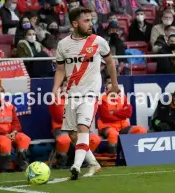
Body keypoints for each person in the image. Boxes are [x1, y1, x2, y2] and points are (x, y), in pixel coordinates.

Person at [52, 7, 119, 180]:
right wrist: (55, 88)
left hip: (90, 94)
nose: (91, 23)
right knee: (73, 134)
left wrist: (115, 84)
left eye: (91, 20)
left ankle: (75, 166)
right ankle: (94, 164)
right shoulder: (63, 44)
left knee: (83, 128)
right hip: (71, 94)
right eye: (86, 20)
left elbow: (110, 63)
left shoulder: (98, 41)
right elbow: (60, 69)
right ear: (75, 23)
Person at [49, 78, 101, 169]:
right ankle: (61, 163)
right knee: (64, 140)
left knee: (95, 139)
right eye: (65, 86)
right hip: (61, 128)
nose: (68, 88)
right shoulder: (56, 100)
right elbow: (59, 117)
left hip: (80, 128)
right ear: (60, 88)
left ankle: (85, 161)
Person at [97, 76, 147, 153]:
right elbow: (106, 117)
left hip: (123, 127)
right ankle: (113, 159)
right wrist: (121, 114)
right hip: (107, 127)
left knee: (141, 130)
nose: (112, 85)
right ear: (105, 85)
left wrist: (114, 112)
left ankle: (134, 155)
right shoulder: (101, 98)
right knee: (114, 134)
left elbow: (129, 113)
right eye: (110, 83)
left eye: (114, 83)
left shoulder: (123, 97)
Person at [0, 85, 31, 172]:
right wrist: (5, 134)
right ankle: (4, 167)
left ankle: (20, 164)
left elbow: (16, 122)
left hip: (10, 133)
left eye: (2, 91)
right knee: (5, 142)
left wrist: (14, 132)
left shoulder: (10, 106)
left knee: (24, 139)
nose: (0, 94)